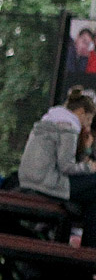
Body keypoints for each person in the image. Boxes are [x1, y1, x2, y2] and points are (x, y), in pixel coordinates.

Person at [18, 86, 96, 247]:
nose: (87, 126)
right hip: (48, 183)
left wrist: (86, 149)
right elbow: (66, 167)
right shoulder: (69, 126)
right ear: (81, 112)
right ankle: (88, 253)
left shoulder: (50, 119)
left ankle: (88, 251)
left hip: (31, 180)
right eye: (88, 119)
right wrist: (90, 168)